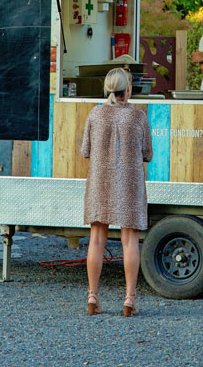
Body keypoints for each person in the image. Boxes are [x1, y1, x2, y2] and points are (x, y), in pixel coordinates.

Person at [81, 67, 153, 317]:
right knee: (129, 240)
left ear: (107, 89)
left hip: (100, 182)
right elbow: (148, 154)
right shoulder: (138, 117)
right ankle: (129, 299)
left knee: (97, 238)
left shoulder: (95, 114)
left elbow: (85, 151)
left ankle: (93, 296)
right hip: (129, 183)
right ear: (129, 89)